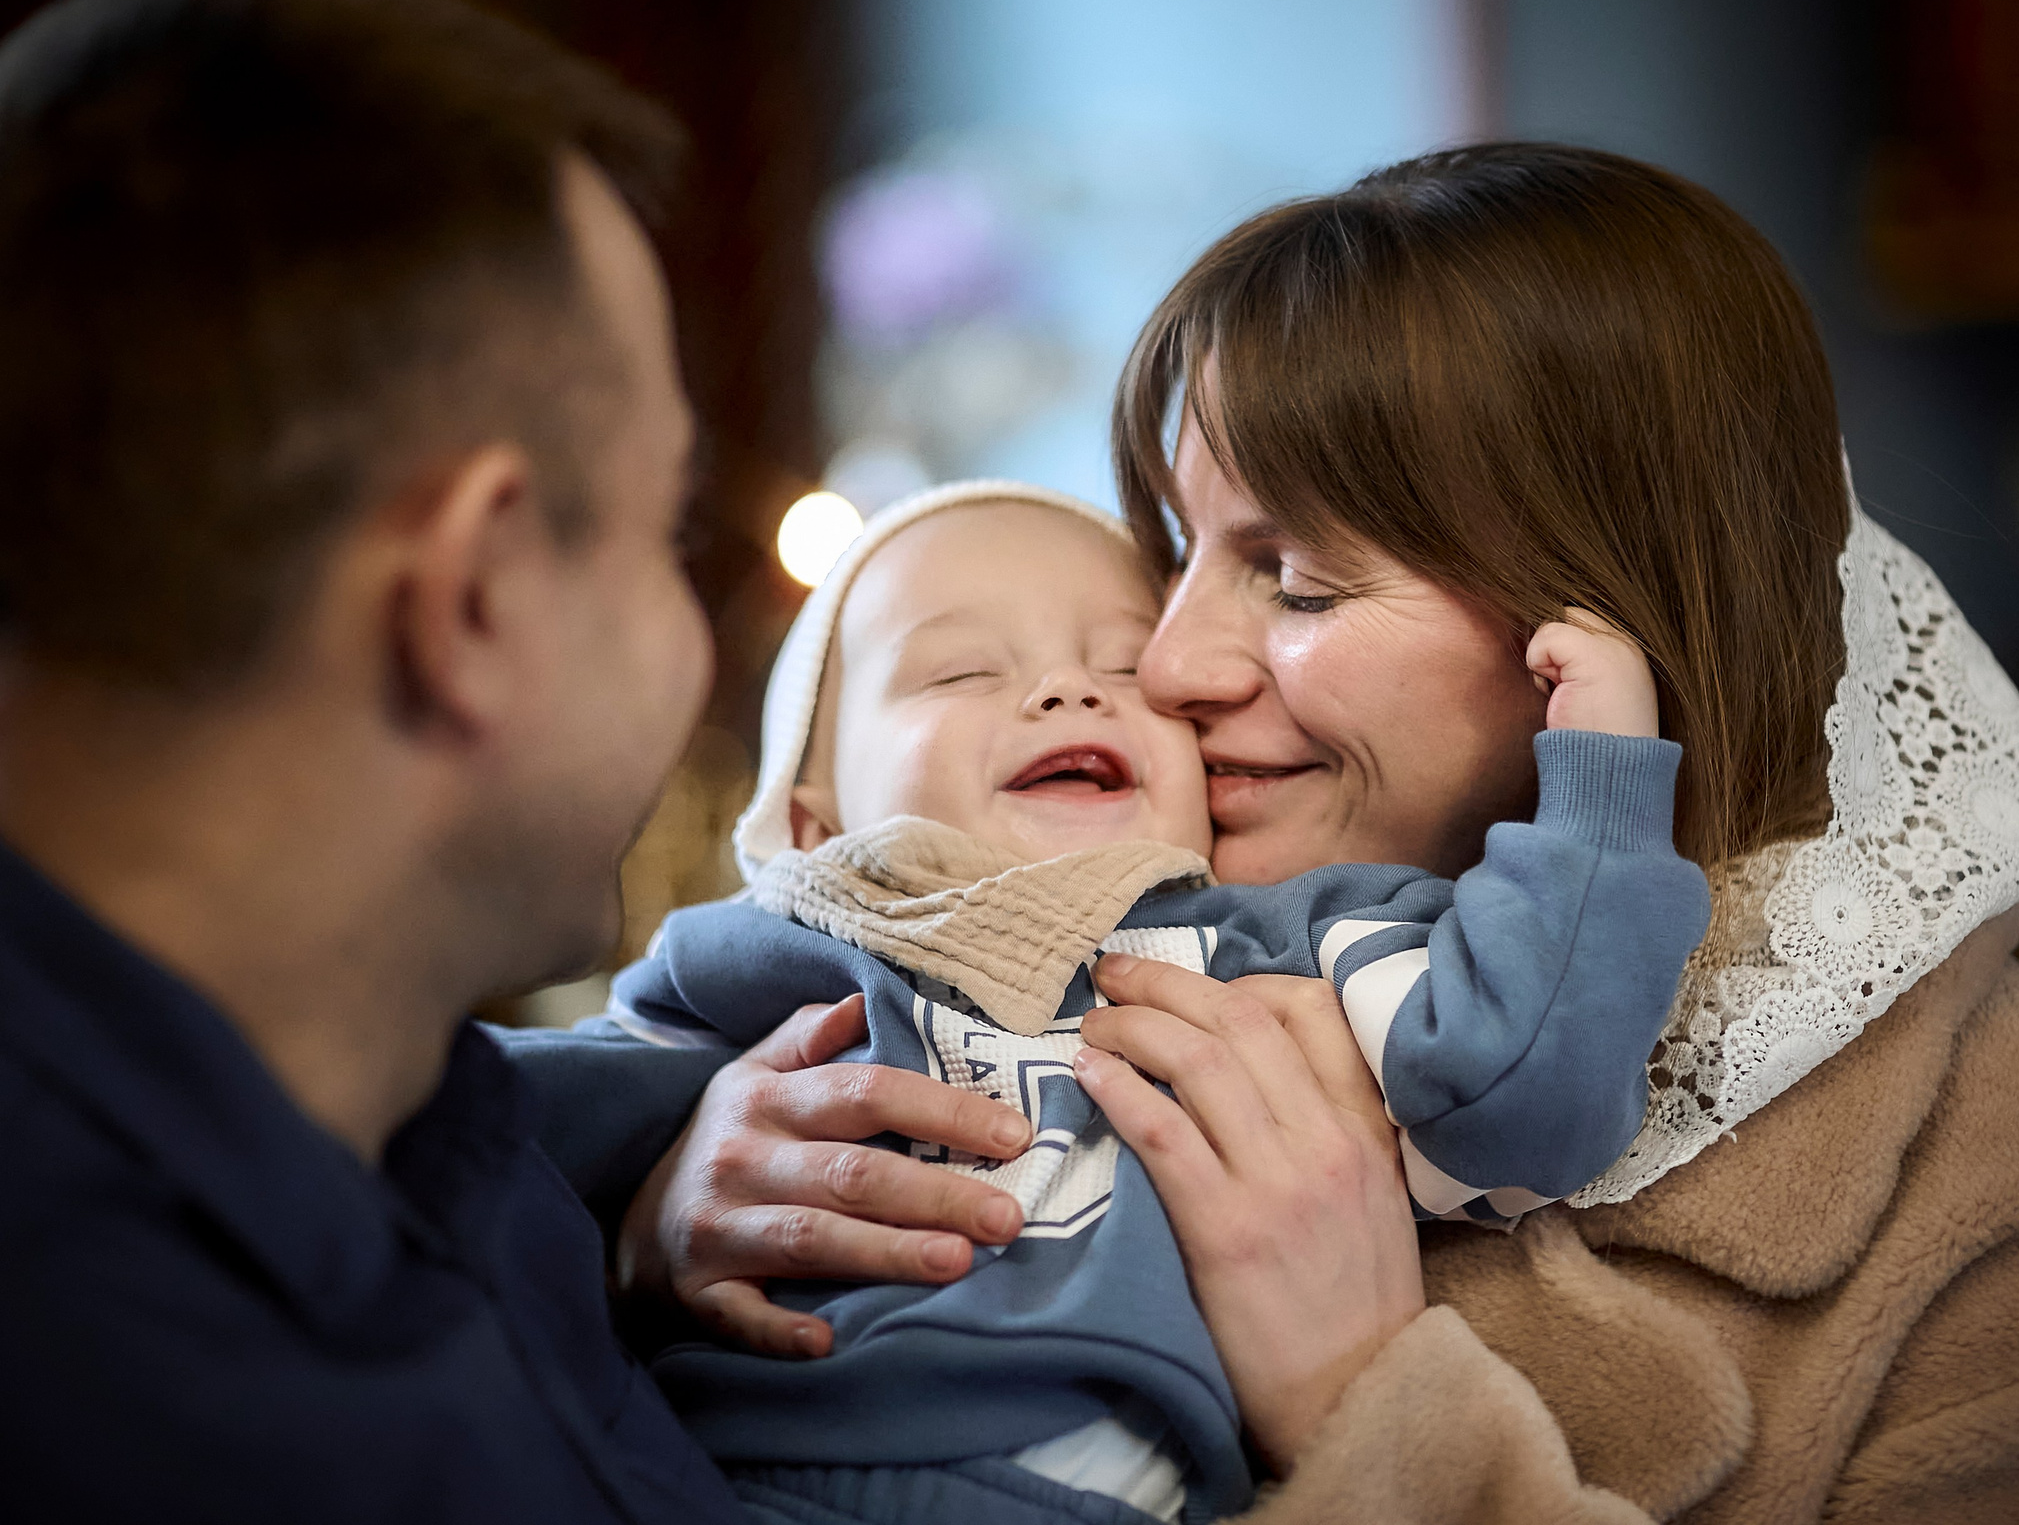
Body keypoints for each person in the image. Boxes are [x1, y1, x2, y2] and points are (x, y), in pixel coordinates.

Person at [590, 145, 2019, 1520]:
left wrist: (1372, 1405)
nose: (1166, 664)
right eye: (1174, 555)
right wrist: (662, 1223)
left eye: (1296, 581)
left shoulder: (1997, 1150)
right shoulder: (1025, 953)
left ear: (1598, 643)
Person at [0, 0, 1038, 1523]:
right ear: (474, 596)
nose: (692, 641)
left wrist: (642, 1238)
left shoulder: (396, 1089)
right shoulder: (192, 1419)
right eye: (663, 531)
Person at [585, 477, 1702, 1523]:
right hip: (716, 1471)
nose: (1067, 690)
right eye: (961, 672)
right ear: (811, 822)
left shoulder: (1285, 944)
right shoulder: (772, 955)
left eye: (1124, 668)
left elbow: (1523, 1090)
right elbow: (480, 1142)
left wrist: (1599, 798)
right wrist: (644, 1221)